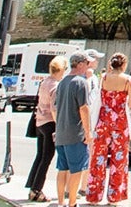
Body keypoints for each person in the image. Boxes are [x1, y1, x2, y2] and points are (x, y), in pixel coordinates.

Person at [85, 52, 131, 205]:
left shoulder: (104, 78)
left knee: (98, 158)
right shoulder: (128, 81)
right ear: (124, 65)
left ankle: (94, 195)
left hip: (103, 121)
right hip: (120, 123)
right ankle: (114, 197)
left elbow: (98, 98)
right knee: (118, 161)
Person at [52, 53, 93, 207]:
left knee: (62, 168)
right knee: (77, 169)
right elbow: (84, 108)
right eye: (87, 63)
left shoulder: (62, 82)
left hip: (62, 131)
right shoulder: (80, 83)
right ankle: (72, 202)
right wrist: (88, 132)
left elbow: (55, 108)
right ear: (80, 64)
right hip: (75, 132)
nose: (88, 66)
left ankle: (61, 201)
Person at [25, 55, 66, 203]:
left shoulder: (44, 82)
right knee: (47, 158)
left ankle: (32, 186)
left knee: (40, 156)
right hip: (50, 123)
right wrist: (59, 126)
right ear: (61, 70)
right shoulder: (56, 86)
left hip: (40, 122)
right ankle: (37, 189)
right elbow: (54, 109)